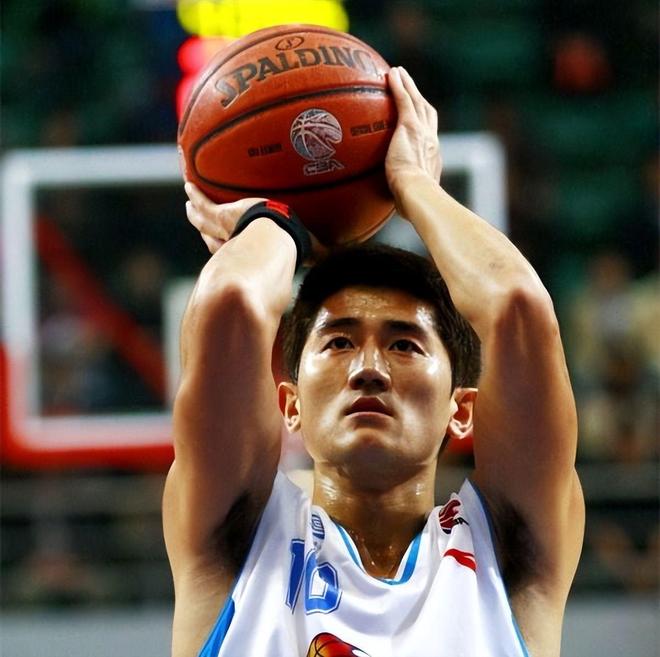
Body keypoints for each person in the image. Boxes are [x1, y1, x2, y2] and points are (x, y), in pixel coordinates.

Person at [163, 67, 584, 657]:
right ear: (289, 404)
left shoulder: (509, 555)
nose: (369, 368)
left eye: (404, 344)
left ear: (462, 409)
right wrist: (275, 224)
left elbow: (518, 307)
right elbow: (230, 305)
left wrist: (413, 183)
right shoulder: (237, 540)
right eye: (338, 342)